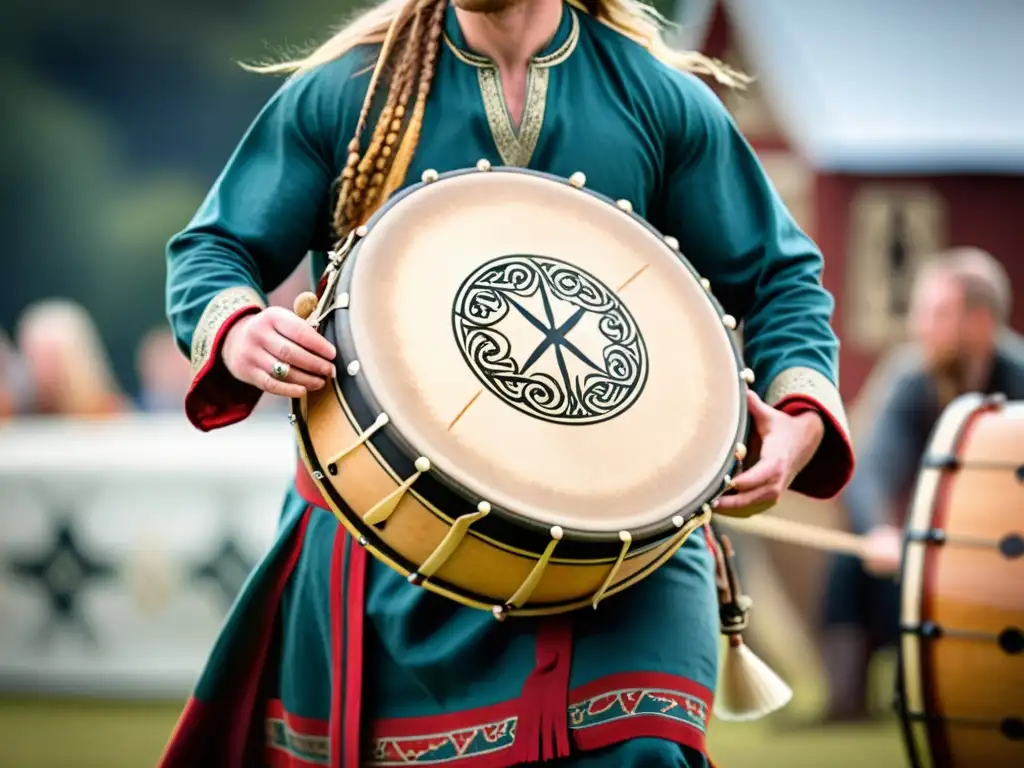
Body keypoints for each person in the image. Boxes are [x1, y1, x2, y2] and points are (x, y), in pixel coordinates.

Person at [159, 1, 855, 765]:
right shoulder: (347, 93)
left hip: (629, 552)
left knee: (642, 751)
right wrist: (238, 328)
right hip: (396, 543)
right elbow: (214, 249)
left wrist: (800, 406)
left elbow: (780, 276)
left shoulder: (660, 99)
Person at [821, 247, 1024, 722]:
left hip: (1007, 552)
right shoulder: (909, 376)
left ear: (979, 320)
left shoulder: (1020, 381)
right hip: (929, 545)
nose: (921, 327)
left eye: (936, 313)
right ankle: (845, 702)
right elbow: (871, 468)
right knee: (851, 563)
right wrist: (879, 531)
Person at [16, 298, 128, 417]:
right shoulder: (17, 411)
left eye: (49, 358)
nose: (39, 368)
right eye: (33, 357)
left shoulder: (107, 412)